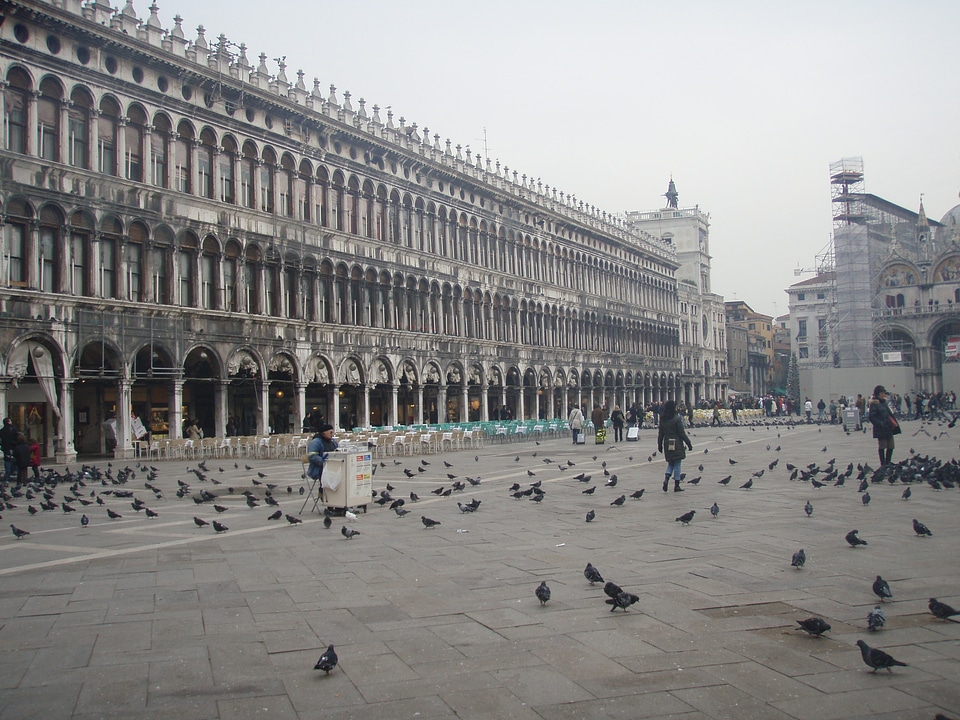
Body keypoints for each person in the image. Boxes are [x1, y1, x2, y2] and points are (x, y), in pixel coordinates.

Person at [658, 400, 693, 493]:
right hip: (676, 443)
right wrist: (688, 443)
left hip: (667, 443)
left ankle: (666, 479)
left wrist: (659, 445)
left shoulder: (662, 419)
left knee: (670, 463)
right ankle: (676, 485)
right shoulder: (676, 419)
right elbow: (682, 433)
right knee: (677, 463)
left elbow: (660, 434)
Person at [868, 385, 899, 467]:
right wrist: (879, 423)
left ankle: (888, 462)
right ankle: (883, 464)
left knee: (891, 446)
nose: (883, 395)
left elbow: (889, 414)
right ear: (877, 394)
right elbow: (871, 417)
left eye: (884, 393)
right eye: (881, 393)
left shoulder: (884, 403)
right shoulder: (874, 404)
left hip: (888, 427)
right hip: (881, 428)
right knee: (882, 446)